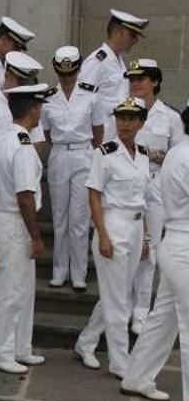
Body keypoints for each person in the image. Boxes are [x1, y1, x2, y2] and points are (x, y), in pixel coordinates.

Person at [74, 96, 151, 379]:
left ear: (141, 122)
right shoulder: (104, 152)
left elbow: (142, 200)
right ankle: (121, 362)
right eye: (121, 118)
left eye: (131, 119)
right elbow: (94, 194)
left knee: (117, 293)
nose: (125, 124)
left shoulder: (142, 152)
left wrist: (144, 238)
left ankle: (86, 342)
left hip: (135, 226)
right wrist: (102, 234)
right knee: (119, 301)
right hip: (113, 227)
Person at [120, 103, 189, 401]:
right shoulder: (186, 155)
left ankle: (136, 377)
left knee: (164, 318)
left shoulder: (178, 152)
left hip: (178, 241)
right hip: (183, 243)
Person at [0, 84, 52, 374]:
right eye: (39, 106)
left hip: (5, 219)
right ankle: (0, 351)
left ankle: (20, 347)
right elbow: (25, 196)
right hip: (14, 222)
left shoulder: (3, 139)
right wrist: (36, 236)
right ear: (33, 108)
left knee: (22, 290)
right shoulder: (22, 145)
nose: (41, 111)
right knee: (10, 291)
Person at [126, 59, 183, 334]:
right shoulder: (124, 112)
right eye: (132, 78)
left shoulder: (170, 117)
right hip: (128, 185)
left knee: (151, 252)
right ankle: (123, 305)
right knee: (129, 246)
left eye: (141, 78)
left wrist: (156, 156)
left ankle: (141, 310)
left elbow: (179, 156)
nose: (135, 83)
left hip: (157, 185)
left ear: (155, 82)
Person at [42, 46, 106, 290]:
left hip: (83, 153)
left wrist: (88, 152)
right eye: (62, 73)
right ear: (57, 71)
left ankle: (78, 272)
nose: (66, 78)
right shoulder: (48, 98)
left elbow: (98, 131)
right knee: (60, 216)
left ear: (78, 71)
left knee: (79, 218)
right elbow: (47, 133)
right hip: (59, 153)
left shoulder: (91, 95)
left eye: (70, 73)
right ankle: (60, 270)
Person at [78, 9, 148, 142]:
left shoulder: (119, 62)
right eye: (132, 35)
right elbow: (83, 103)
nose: (136, 40)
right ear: (118, 32)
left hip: (116, 134)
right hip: (100, 137)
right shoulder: (98, 61)